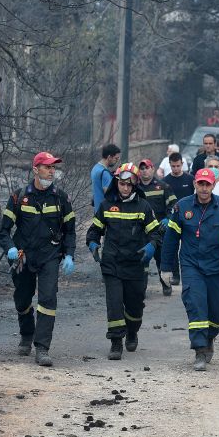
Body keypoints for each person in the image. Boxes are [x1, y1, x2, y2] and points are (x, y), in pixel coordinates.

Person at [0, 151, 76, 367]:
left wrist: (69, 254)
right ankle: (26, 333)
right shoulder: (18, 197)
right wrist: (11, 248)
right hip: (23, 256)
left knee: (48, 299)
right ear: (35, 169)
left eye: (53, 167)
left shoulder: (61, 198)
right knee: (22, 299)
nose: (52, 171)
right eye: (47, 167)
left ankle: (42, 348)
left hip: (50, 255)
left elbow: (70, 231)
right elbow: (3, 231)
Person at [160, 168, 219, 371]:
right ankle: (200, 350)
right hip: (192, 265)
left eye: (208, 184)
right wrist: (166, 268)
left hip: (217, 266)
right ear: (194, 184)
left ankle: (210, 337)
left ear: (214, 185)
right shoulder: (182, 207)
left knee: (217, 307)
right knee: (196, 305)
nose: (204, 188)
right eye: (201, 184)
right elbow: (171, 239)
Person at [85, 163, 162, 361]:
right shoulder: (106, 205)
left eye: (129, 184)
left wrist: (152, 246)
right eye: (122, 184)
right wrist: (93, 243)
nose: (125, 188)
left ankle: (132, 332)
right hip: (112, 263)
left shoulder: (143, 207)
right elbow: (94, 230)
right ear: (116, 183)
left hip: (136, 264)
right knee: (114, 304)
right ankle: (116, 342)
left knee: (135, 307)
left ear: (134, 185)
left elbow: (155, 232)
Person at [138, 159, 178, 296]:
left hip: (160, 230)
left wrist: (168, 218)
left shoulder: (163, 186)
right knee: (142, 261)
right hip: (142, 232)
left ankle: (166, 285)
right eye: (142, 168)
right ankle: (141, 290)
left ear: (153, 169)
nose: (144, 170)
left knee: (162, 260)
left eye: (147, 167)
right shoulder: (135, 188)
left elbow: (174, 206)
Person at [162, 152, 194, 286]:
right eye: (173, 166)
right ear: (169, 165)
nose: (176, 168)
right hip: (172, 218)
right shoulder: (165, 181)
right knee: (173, 246)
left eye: (178, 166)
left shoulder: (190, 179)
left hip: (189, 218)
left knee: (189, 246)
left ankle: (190, 273)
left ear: (182, 164)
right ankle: (175, 275)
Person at [91, 144, 121, 211]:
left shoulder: (95, 168)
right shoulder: (104, 173)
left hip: (97, 209)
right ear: (109, 157)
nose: (117, 161)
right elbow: (109, 195)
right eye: (116, 158)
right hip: (104, 211)